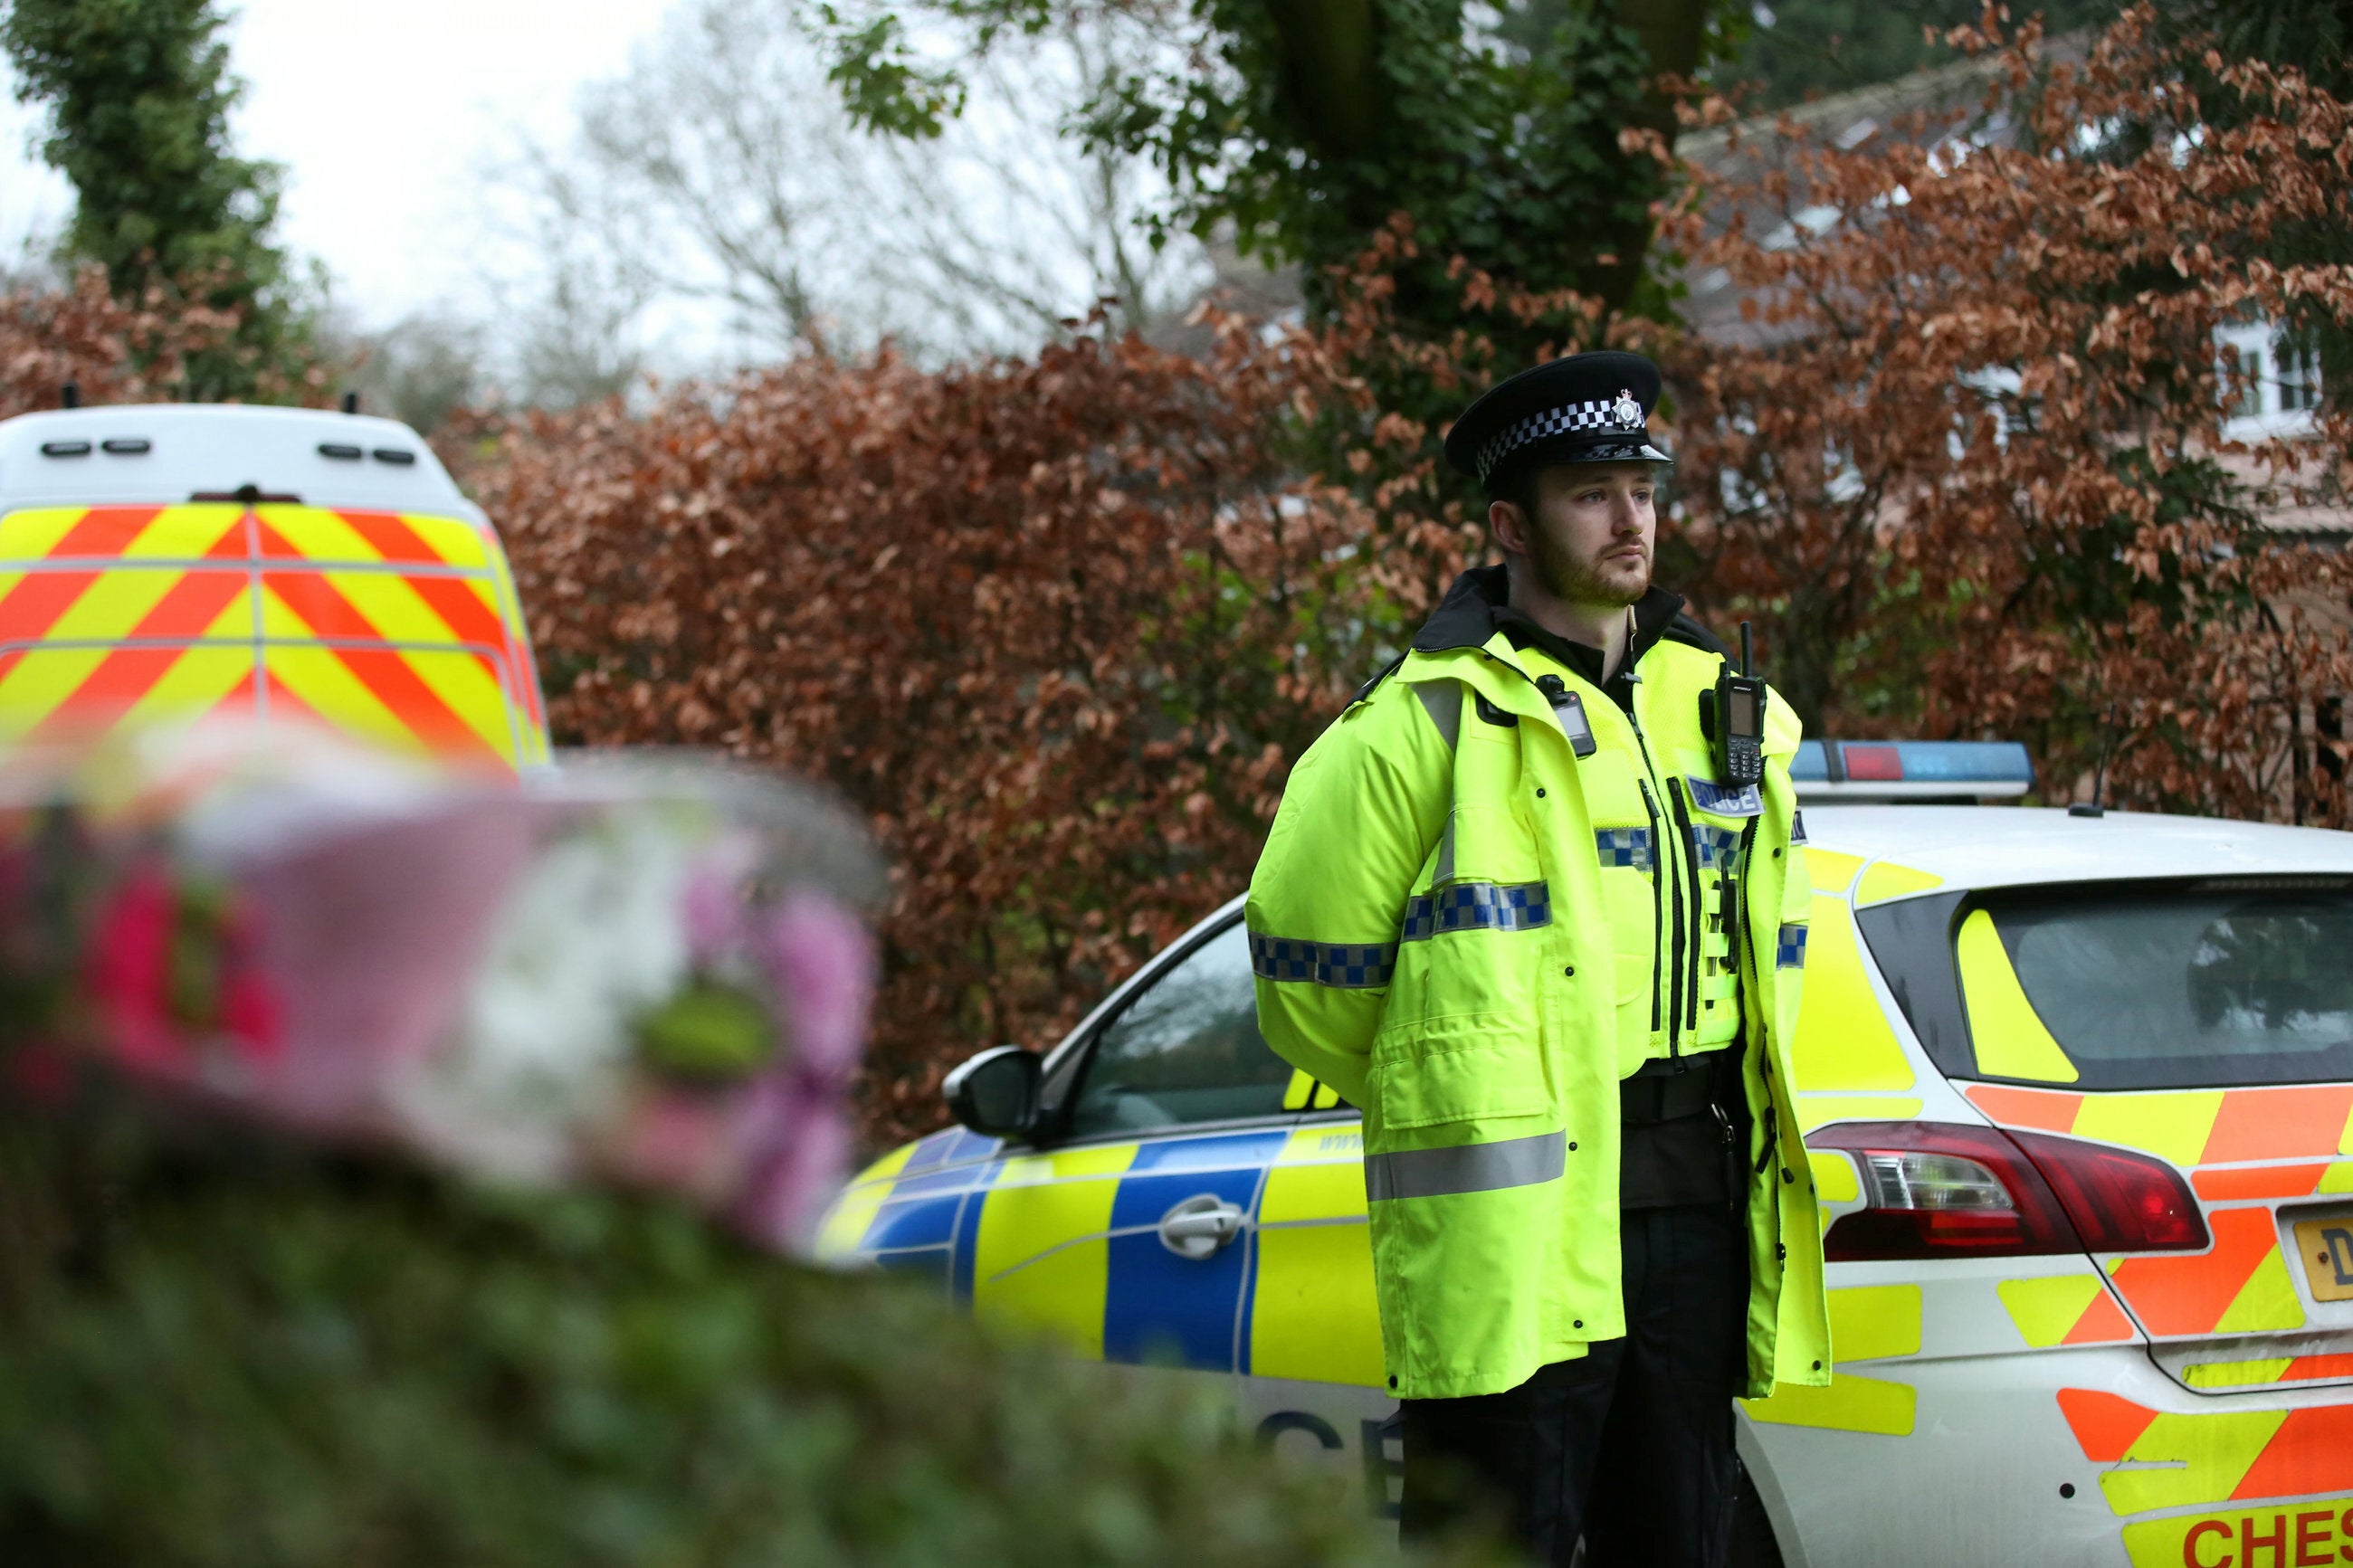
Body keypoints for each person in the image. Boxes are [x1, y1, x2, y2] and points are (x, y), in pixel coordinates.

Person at [1244, 351, 1829, 1567]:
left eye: (1645, 489)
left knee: (1680, 1542)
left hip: (1693, 1211)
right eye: (1592, 493)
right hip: (1509, 1225)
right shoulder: (1413, 728)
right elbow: (1310, 992)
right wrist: (1480, 1083)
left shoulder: (1730, 709)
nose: (1631, 520)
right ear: (1509, 522)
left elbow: (1777, 942)